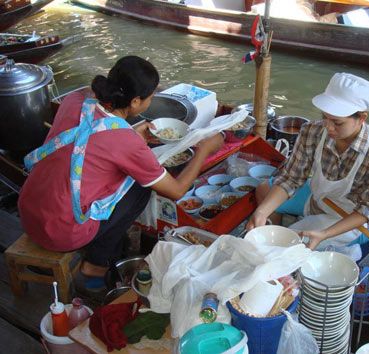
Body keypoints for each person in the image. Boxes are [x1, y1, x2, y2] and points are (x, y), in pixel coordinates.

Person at [18, 56, 223, 292]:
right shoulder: (124, 141)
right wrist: (204, 150)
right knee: (140, 189)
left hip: (29, 211)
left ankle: (103, 248)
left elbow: (90, 138)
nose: (151, 100)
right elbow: (176, 191)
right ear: (135, 102)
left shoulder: (77, 98)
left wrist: (133, 134)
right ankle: (96, 264)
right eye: (150, 96)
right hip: (61, 233)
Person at [247, 73, 369, 254]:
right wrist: (262, 213)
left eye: (337, 123)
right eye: (325, 117)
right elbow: (291, 178)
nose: (328, 127)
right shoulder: (312, 131)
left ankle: (308, 232)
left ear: (362, 118)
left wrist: (324, 234)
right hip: (323, 199)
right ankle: (279, 227)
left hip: (358, 217)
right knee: (263, 191)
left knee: (291, 247)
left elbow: (368, 211)